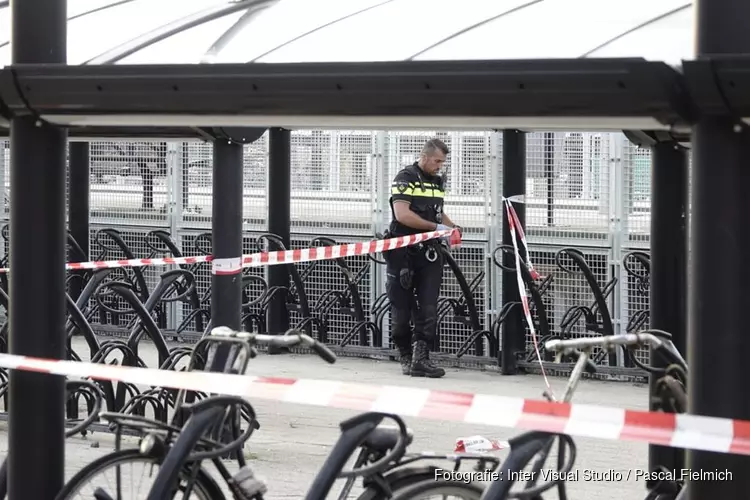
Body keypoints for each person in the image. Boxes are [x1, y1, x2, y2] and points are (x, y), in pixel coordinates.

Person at [384, 138, 462, 378]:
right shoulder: (405, 177)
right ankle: (405, 357)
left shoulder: (437, 181)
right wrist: (435, 228)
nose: (440, 166)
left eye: (442, 162)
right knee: (401, 309)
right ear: (425, 156)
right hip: (402, 253)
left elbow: (437, 210)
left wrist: (452, 227)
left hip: (429, 252)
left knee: (428, 307)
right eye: (437, 161)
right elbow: (403, 215)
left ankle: (421, 359)